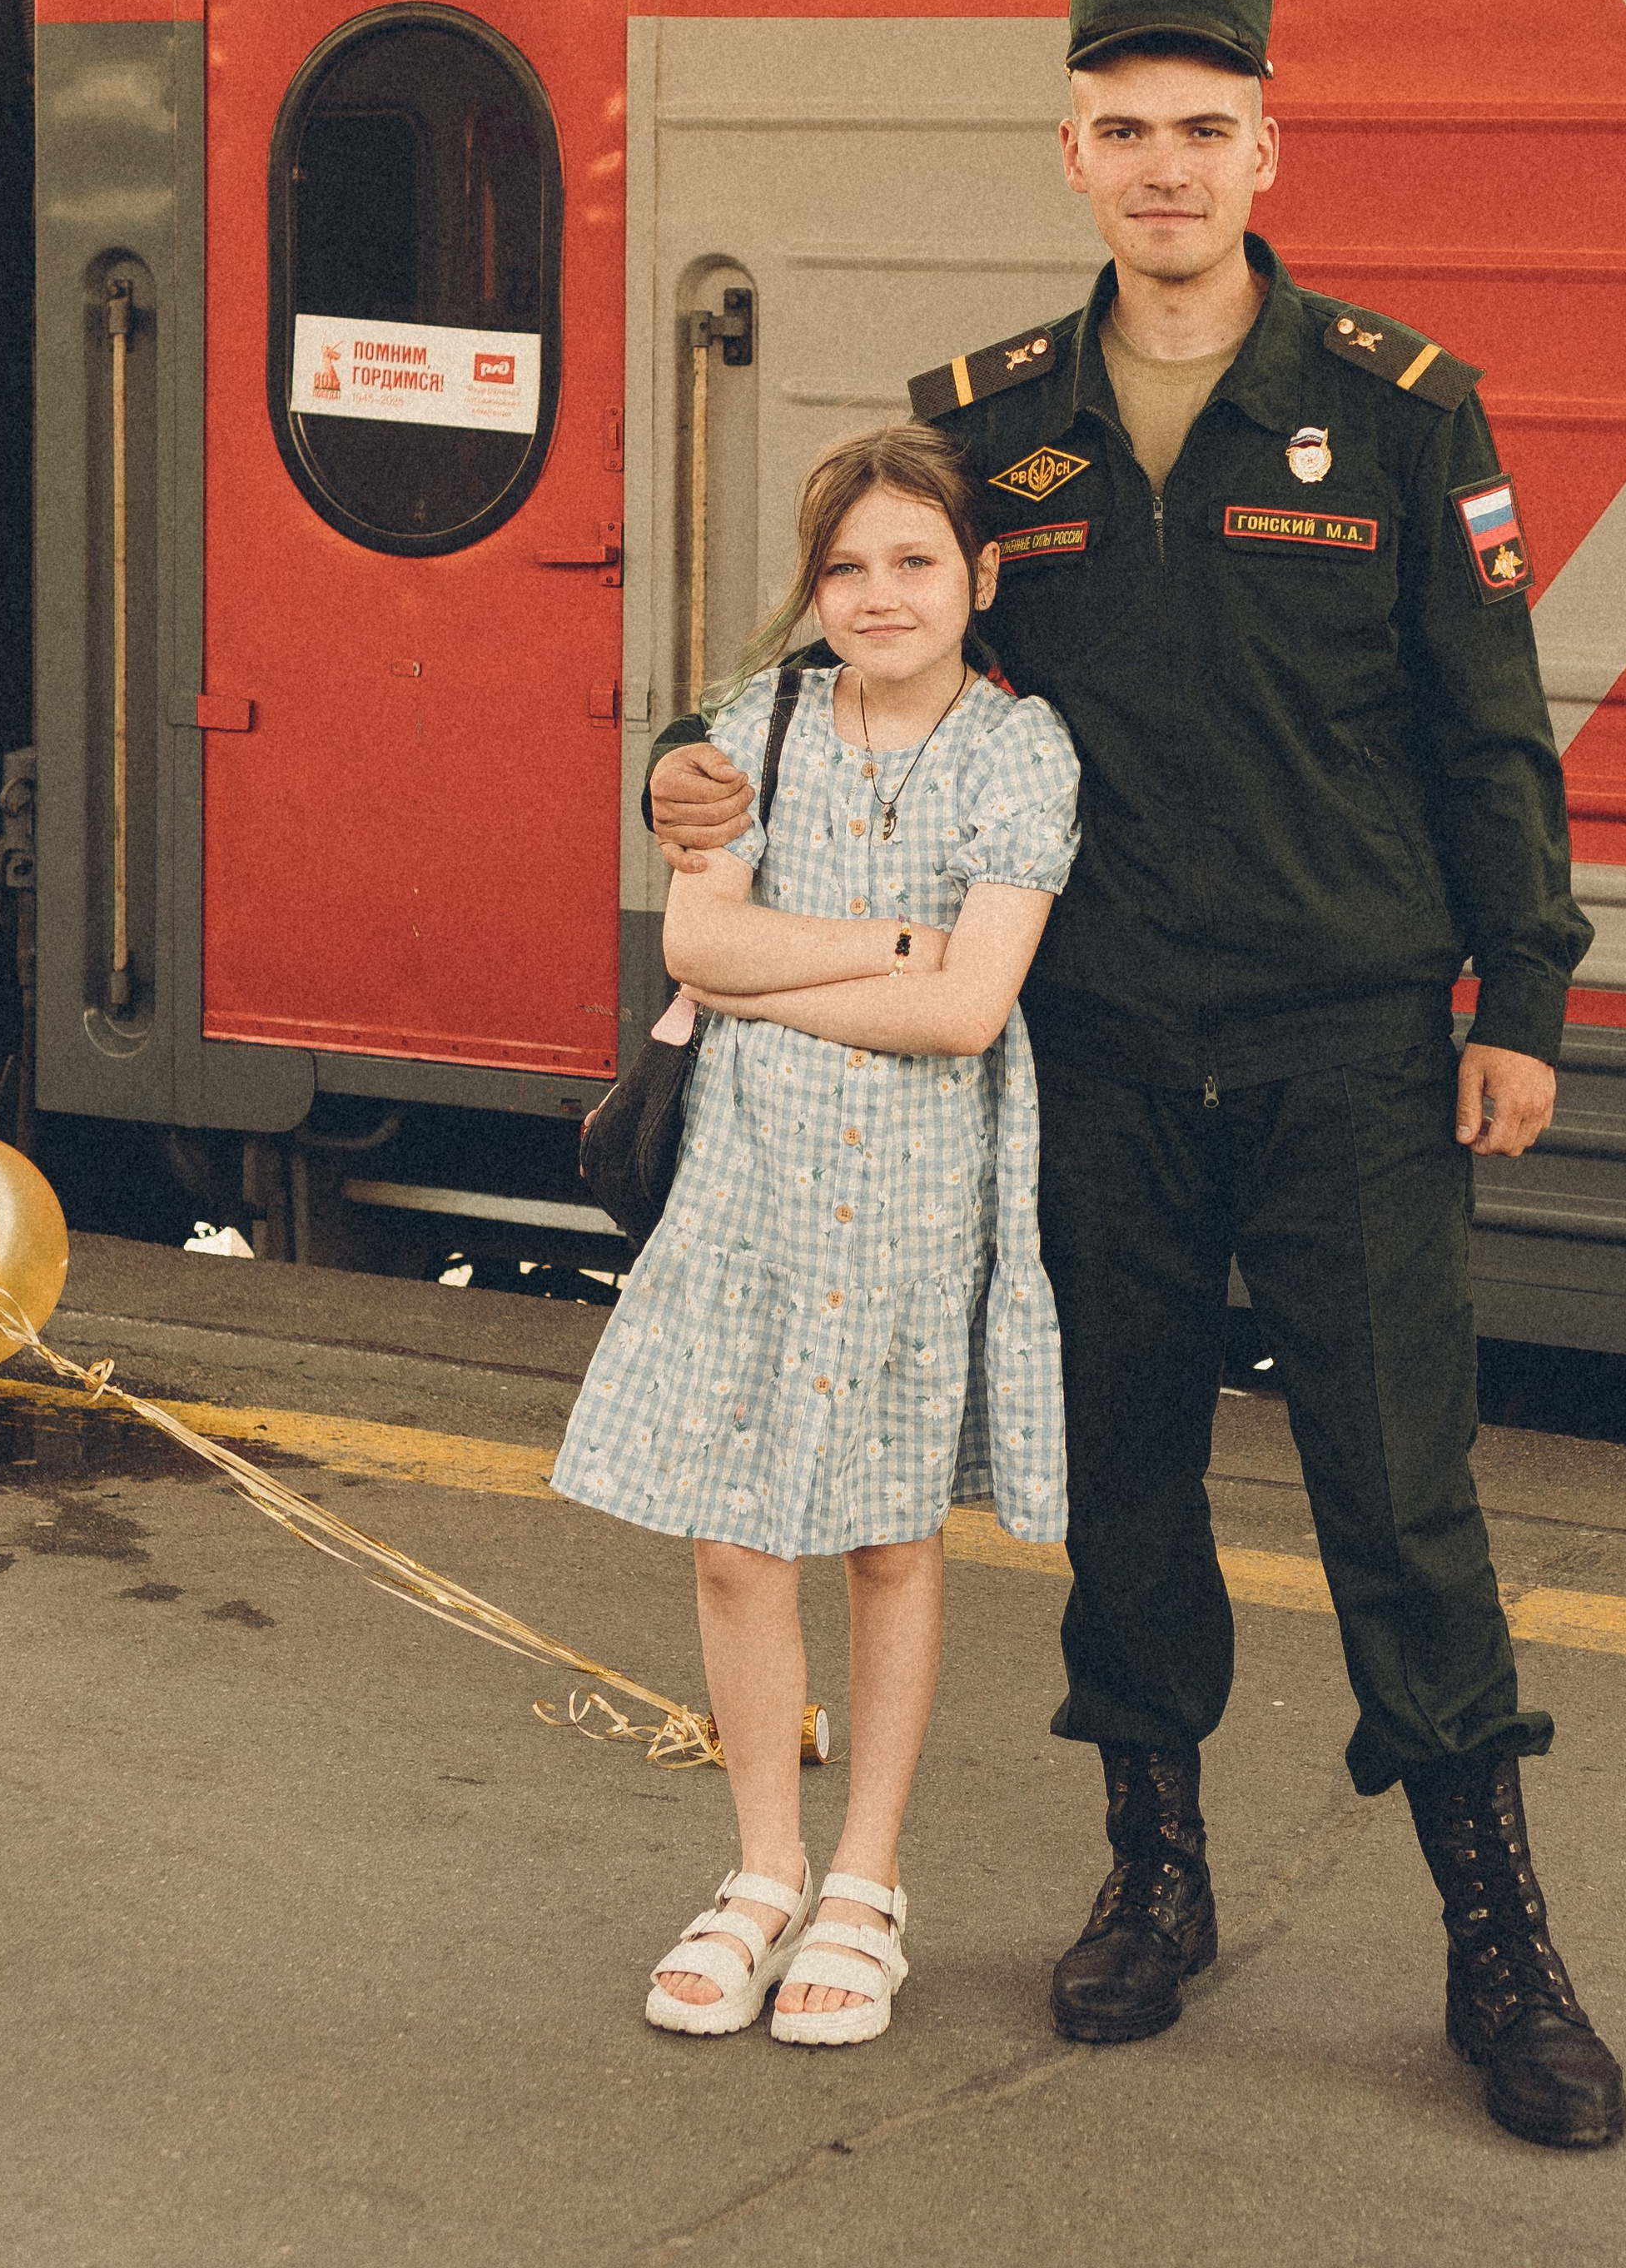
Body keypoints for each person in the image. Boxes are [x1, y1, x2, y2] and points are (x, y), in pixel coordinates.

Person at [644, 0, 1625, 2148]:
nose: (1163, 165)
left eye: (1203, 126)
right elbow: (835, 650)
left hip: (1348, 1044)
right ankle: (1151, 1879)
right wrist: (681, 778)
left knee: (1400, 1498)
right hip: (1089, 1055)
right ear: (1069, 154)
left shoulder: (1402, 409)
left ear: (1267, 149)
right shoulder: (988, 424)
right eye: (1123, 127)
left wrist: (1526, 998)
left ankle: (1499, 1944)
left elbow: (1488, 732)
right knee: (1126, 1487)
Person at [556, 424, 1078, 2048]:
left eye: (914, 561)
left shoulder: (1021, 752)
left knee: (887, 1537)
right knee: (732, 1539)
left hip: (916, 1189)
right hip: (746, 1185)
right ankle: (763, 1870)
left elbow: (968, 1011)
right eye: (844, 567)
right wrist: (893, 943)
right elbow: (697, 945)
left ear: (981, 574)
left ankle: (866, 1881)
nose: (877, 594)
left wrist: (783, 973)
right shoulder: (752, 730)